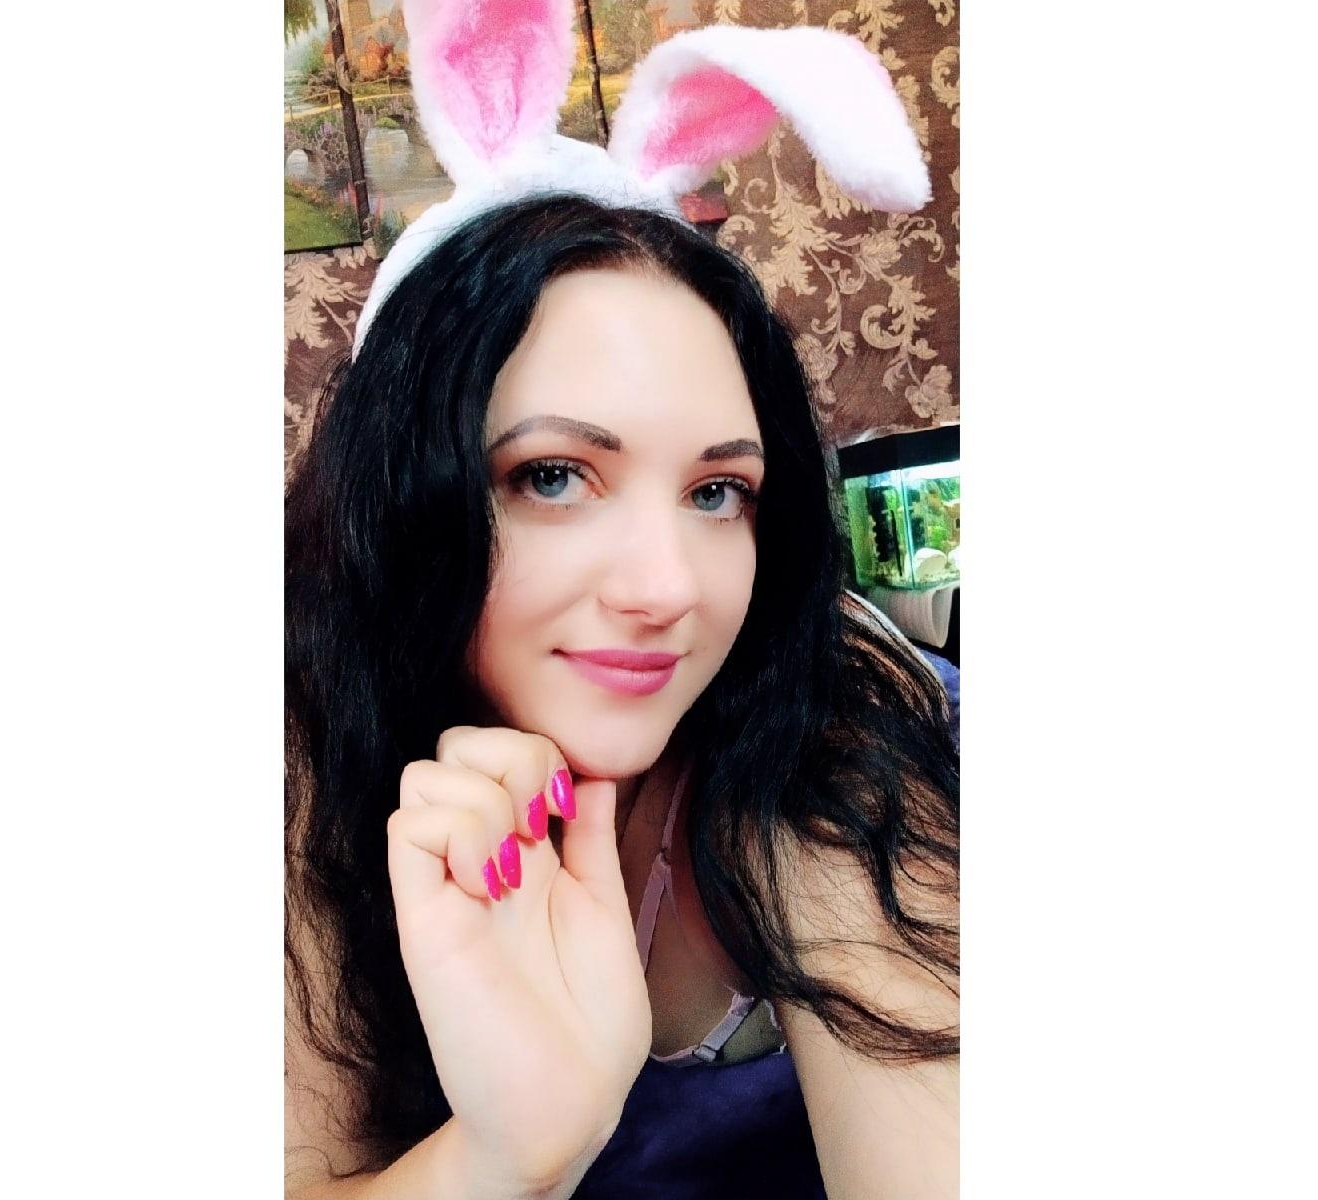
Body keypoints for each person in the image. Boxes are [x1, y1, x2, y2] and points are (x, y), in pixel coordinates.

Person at [285, 6, 957, 1198]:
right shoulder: (304, 757)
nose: (666, 590)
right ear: (401, 494)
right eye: (552, 477)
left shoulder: (831, 743)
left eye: (717, 492)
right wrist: (503, 1155)